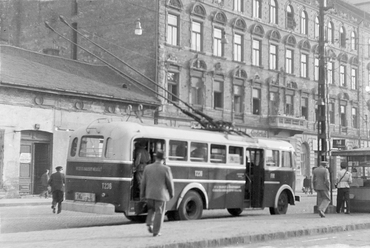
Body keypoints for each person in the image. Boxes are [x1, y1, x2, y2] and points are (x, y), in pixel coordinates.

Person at [140, 151, 174, 237]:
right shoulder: (166, 169)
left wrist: (142, 194)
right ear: (163, 159)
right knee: (159, 212)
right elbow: (169, 183)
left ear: (155, 158)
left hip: (149, 194)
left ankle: (149, 223)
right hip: (160, 195)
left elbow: (143, 182)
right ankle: (156, 231)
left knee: (151, 209)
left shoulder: (147, 167)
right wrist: (171, 194)